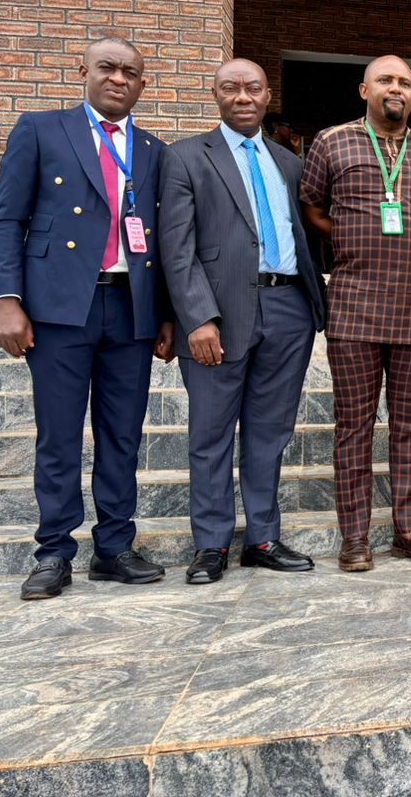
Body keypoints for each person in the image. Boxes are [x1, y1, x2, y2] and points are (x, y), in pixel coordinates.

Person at [0, 37, 174, 600]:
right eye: (108, 68)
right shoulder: (41, 129)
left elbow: (165, 240)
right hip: (59, 307)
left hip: (130, 307)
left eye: (131, 72)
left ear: (142, 84)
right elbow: (8, 220)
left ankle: (114, 548)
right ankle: (53, 552)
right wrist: (7, 299)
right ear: (84, 72)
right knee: (60, 434)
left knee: (123, 434)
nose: (119, 79)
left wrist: (167, 315)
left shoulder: (154, 149)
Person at [159, 59, 325, 585]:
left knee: (270, 433)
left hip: (288, 308)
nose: (243, 96)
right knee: (211, 433)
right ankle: (210, 544)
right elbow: (176, 247)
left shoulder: (289, 163)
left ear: (267, 94)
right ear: (216, 94)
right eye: (230, 88)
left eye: (252, 88)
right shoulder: (186, 156)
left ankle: (262, 538)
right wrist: (196, 318)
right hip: (220, 313)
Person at [300, 55, 411, 570]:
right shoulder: (331, 142)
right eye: (385, 80)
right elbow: (311, 206)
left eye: (405, 83)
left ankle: (408, 530)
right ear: (363, 89)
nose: (396, 89)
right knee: (354, 427)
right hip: (354, 307)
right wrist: (347, 234)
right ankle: (355, 537)